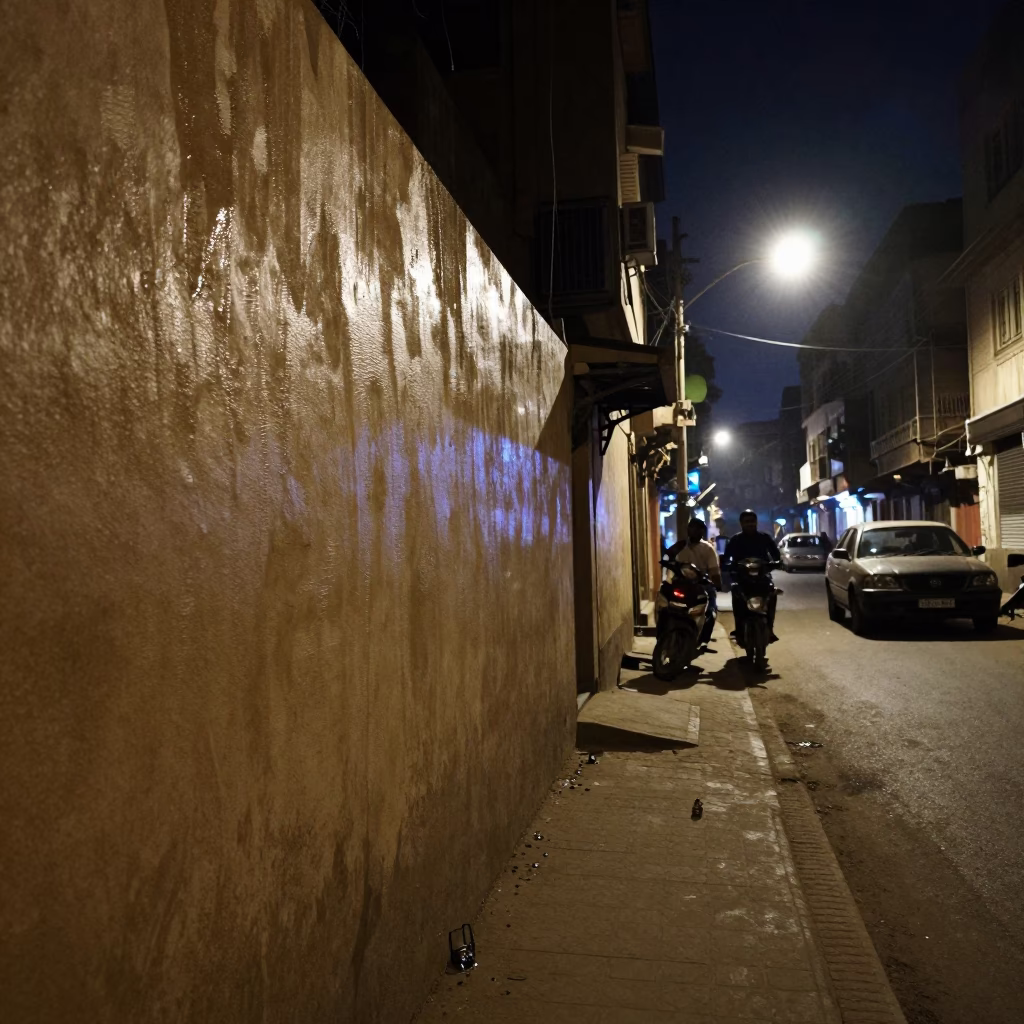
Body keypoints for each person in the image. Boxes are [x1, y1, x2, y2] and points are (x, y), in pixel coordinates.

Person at [724, 509, 781, 642]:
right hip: (742, 577)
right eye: (747, 522)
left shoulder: (765, 538)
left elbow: (776, 555)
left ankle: (770, 628)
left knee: (772, 593)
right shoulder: (735, 540)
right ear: (741, 523)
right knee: (736, 594)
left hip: (762, 576)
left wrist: (776, 563)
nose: (750, 524)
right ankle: (739, 629)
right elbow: (727, 558)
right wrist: (729, 566)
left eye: (752, 521)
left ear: (756, 522)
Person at [666, 517, 721, 646]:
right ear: (688, 529)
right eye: (692, 528)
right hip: (681, 584)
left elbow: (714, 570)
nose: (695, 531)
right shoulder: (679, 546)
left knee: (710, 611)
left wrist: (716, 583)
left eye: (698, 528)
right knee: (665, 605)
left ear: (702, 531)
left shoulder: (708, 548)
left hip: (701, 585)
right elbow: (668, 558)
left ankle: (703, 640)